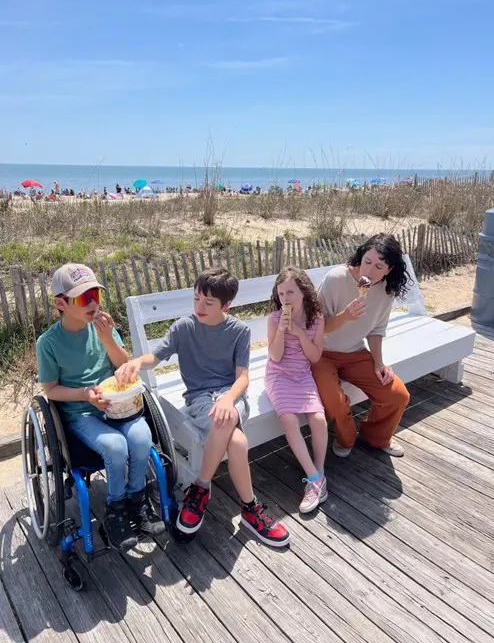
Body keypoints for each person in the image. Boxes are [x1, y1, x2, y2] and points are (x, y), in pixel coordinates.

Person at [116, 267, 290, 547]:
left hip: (231, 397)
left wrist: (228, 398)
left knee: (228, 420)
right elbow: (156, 356)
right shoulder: (184, 327)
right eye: (197, 298)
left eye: (209, 302)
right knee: (238, 442)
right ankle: (251, 509)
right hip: (198, 399)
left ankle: (200, 488)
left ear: (227, 305)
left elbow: (242, 377)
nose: (200, 306)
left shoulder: (238, 330)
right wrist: (136, 362)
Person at [36, 263, 165, 552]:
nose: (93, 303)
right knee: (116, 447)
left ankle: (138, 500)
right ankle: (115, 509)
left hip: (119, 405)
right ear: (61, 303)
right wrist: (85, 394)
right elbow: (50, 390)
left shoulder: (103, 326)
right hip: (81, 412)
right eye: (83, 298)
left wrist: (108, 339)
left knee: (142, 437)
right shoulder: (48, 343)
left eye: (95, 294)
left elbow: (124, 366)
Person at [312, 233, 411, 458]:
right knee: (334, 401)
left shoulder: (387, 291)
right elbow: (316, 328)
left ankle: (376, 437)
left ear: (389, 270)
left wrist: (379, 363)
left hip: (355, 353)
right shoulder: (336, 278)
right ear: (360, 257)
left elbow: (376, 331)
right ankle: (346, 440)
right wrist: (345, 316)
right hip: (321, 353)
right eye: (367, 262)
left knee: (397, 395)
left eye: (379, 266)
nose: (370, 271)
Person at [265, 267, 328, 514]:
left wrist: (300, 333)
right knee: (289, 419)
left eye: (290, 292)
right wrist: (281, 329)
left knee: (319, 419)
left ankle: (320, 472)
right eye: (281, 293)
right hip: (278, 376)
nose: (285, 298)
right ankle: (313, 479)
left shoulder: (317, 320)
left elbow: (314, 357)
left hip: (302, 375)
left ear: (304, 292)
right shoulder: (273, 319)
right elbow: (276, 356)